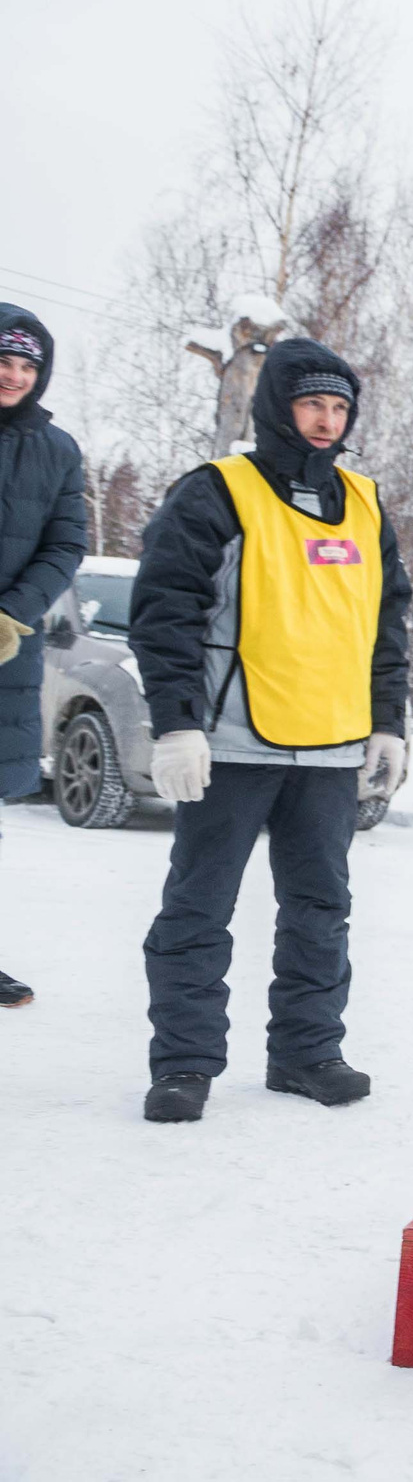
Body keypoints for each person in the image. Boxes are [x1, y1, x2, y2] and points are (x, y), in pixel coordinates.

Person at [130, 338, 413, 1124]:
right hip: (230, 742)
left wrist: (387, 725)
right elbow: (164, 614)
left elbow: (386, 626)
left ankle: (306, 1051)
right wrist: (177, 724)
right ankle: (184, 1063)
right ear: (277, 408)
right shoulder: (217, 492)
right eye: (311, 404)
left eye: (339, 407)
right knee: (198, 906)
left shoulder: (364, 501)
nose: (325, 421)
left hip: (330, 746)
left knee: (321, 907)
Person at [0, 305, 90, 1009]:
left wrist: (13, 611)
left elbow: (64, 544)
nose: (14, 373)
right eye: (5, 360)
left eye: (28, 365)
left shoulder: (59, 452)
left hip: (5, 648)